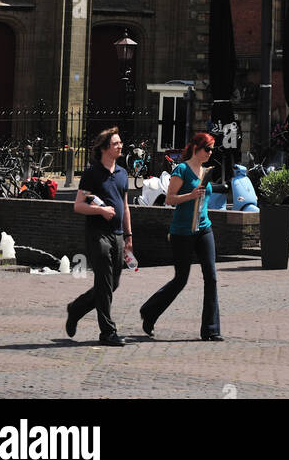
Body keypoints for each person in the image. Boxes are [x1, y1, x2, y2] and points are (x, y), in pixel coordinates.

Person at [139, 132, 222, 341]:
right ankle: (149, 312)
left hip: (204, 228)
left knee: (211, 277)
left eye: (212, 149)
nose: (210, 153)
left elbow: (204, 200)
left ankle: (211, 329)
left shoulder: (206, 171)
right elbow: (170, 199)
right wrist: (191, 195)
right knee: (180, 279)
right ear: (196, 148)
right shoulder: (182, 169)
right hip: (182, 231)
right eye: (208, 149)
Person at [66, 126, 131, 347]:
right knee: (103, 282)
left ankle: (76, 308)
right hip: (98, 234)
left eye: (120, 143)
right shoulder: (92, 173)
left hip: (118, 235)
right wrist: (101, 211)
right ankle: (107, 332)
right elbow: (78, 206)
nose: (120, 146)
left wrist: (129, 234)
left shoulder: (122, 173)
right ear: (104, 148)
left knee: (113, 284)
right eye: (115, 144)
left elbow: (125, 205)